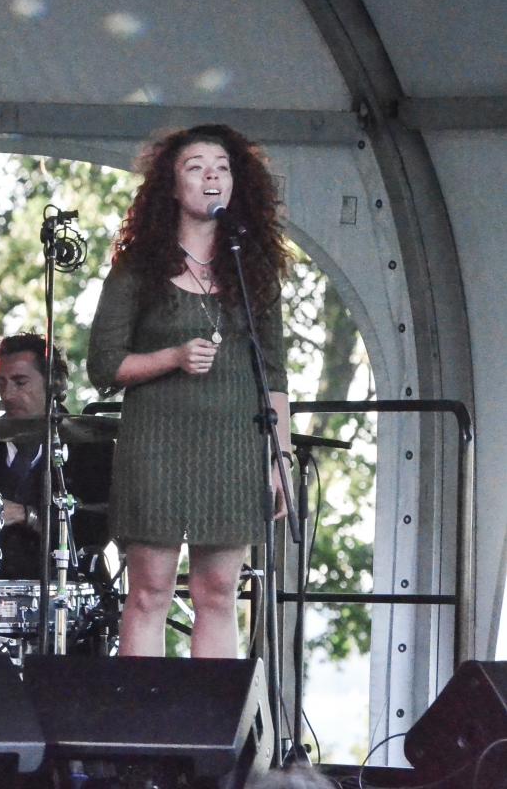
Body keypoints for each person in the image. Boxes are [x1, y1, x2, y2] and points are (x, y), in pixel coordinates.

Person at [87, 124, 292, 659]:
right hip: (156, 445)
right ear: (171, 187)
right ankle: (140, 727)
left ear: (235, 184)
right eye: (196, 166)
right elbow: (103, 366)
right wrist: (172, 358)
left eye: (221, 168)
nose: (211, 177)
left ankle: (209, 733)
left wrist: (280, 457)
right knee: (150, 592)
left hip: (233, 448)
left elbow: (274, 374)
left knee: (219, 594)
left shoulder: (253, 272)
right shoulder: (137, 271)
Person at [0, 332, 111, 578]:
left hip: (69, 583)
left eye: (20, 382)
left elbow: (96, 530)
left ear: (54, 383)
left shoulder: (92, 445)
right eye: (2, 383)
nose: (8, 394)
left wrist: (28, 516)